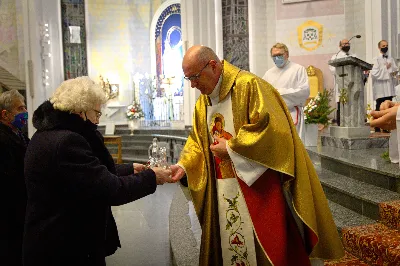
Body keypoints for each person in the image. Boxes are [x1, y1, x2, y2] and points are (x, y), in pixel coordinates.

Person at [170, 45, 344, 266]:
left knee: (267, 252)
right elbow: (197, 141)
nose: (193, 85)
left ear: (212, 66)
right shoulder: (203, 103)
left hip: (257, 190)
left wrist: (232, 149)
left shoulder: (250, 86)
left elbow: (273, 133)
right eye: (188, 79)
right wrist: (184, 166)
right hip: (221, 188)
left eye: (195, 77)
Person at [23, 77, 172, 266]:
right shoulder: (67, 142)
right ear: (80, 110)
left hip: (54, 240)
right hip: (63, 248)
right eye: (97, 113)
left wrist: (129, 169)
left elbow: (85, 174)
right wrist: (152, 176)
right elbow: (110, 190)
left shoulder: (48, 134)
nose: (97, 120)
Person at [0, 89, 29, 266]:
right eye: (20, 108)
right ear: (5, 114)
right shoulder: (2, 139)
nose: (25, 112)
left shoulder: (18, 134)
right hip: (10, 209)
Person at [262, 43, 309, 142]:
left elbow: (304, 91)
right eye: (274, 56)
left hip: (292, 112)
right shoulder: (268, 73)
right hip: (274, 115)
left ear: (287, 54)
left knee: (294, 144)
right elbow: (263, 93)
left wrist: (281, 93)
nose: (277, 58)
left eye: (279, 55)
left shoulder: (298, 69)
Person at [371, 40, 398, 132]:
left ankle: (386, 127)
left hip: (388, 87)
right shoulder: (376, 59)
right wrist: (385, 68)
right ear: (379, 47)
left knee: (388, 107)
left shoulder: (391, 59)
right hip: (380, 88)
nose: (385, 47)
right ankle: (377, 126)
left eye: (386, 45)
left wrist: (395, 73)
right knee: (379, 107)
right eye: (383, 45)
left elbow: (395, 70)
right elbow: (374, 73)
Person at [329, 39, 356, 126]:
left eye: (348, 43)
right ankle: (340, 124)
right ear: (340, 46)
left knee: (352, 103)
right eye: (344, 44)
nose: (346, 45)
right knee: (342, 104)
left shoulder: (354, 56)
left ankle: (352, 122)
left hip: (352, 83)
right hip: (341, 83)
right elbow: (333, 70)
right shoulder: (335, 57)